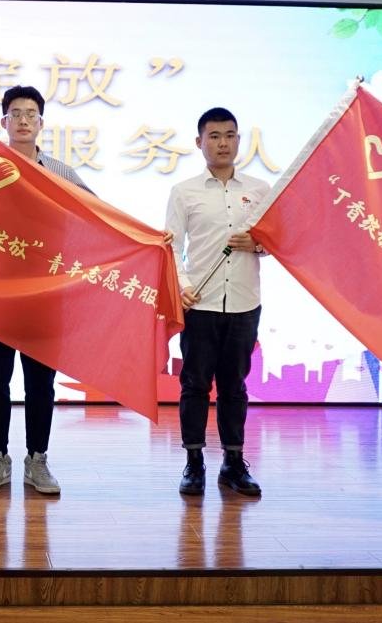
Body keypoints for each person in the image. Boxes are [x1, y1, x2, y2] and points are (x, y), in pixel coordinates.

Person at [0, 85, 92, 496]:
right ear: (3, 122)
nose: (23, 120)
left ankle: (37, 460)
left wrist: (145, 239)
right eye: (15, 114)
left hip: (44, 296)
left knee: (40, 384)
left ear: (41, 123)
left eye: (31, 114)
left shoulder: (59, 172)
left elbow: (98, 216)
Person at [165, 107, 270, 497]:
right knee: (194, 384)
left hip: (244, 302)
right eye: (214, 136)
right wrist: (181, 285)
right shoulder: (184, 192)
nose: (222, 143)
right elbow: (170, 246)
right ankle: (194, 463)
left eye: (229, 135)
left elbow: (276, 242)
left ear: (239, 141)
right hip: (200, 303)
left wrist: (256, 244)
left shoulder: (260, 190)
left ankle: (233, 462)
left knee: (234, 386)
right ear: (199, 142)